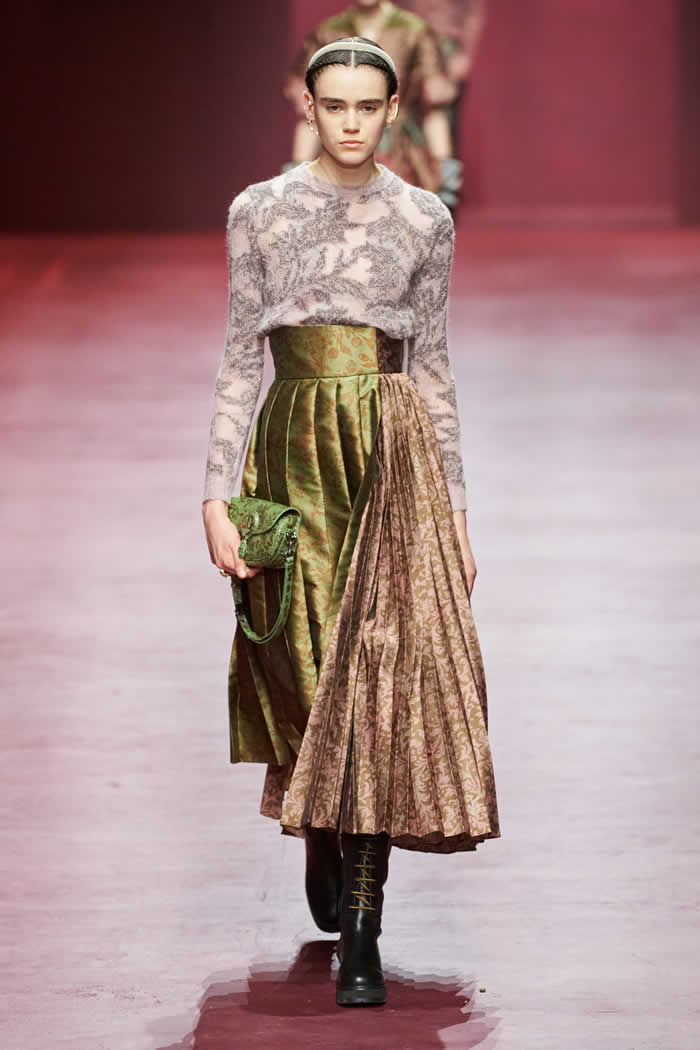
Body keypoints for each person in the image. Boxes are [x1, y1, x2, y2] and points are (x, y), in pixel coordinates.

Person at [202, 36, 500, 1008]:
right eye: (334, 104)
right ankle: (322, 830)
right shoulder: (259, 209)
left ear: (392, 110)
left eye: (368, 106)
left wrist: (457, 512)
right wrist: (214, 495)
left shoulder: (422, 218)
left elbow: (435, 366)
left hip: (390, 455)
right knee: (295, 662)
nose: (351, 122)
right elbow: (240, 357)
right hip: (287, 453)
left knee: (378, 676)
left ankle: (363, 927)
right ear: (309, 105)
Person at [283, 2, 460, 206]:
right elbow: (309, 115)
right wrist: (297, 169)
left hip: (401, 157)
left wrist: (446, 172)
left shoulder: (414, 31)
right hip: (339, 155)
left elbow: (433, 110)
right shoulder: (328, 32)